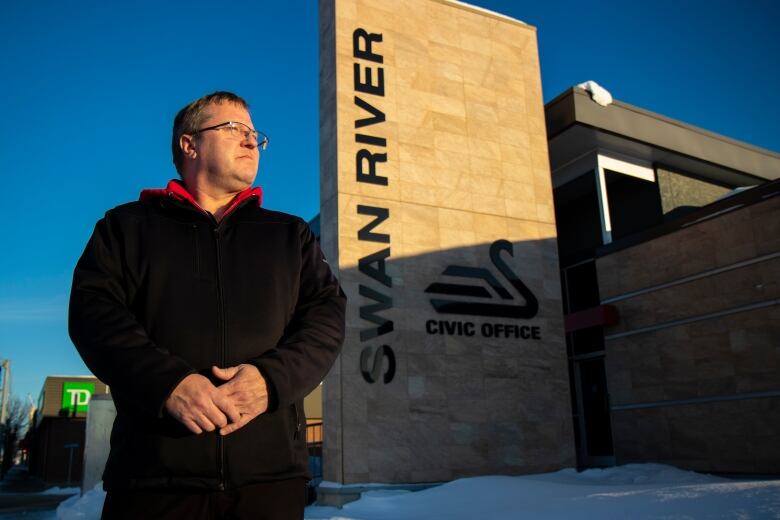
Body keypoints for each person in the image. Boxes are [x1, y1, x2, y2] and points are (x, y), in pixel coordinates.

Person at [69, 91, 346, 519]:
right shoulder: (126, 228)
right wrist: (167, 384)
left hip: (268, 486)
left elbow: (326, 318)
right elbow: (94, 317)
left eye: (256, 135)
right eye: (234, 129)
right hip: (153, 482)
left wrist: (270, 381)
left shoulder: (289, 236)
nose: (251, 142)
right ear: (189, 143)